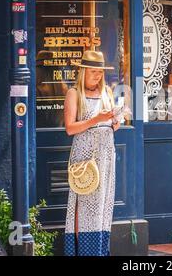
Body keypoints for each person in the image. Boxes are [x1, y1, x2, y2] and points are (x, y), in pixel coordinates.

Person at [63, 50, 121, 256]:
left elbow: (111, 123)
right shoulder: (74, 93)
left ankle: (98, 251)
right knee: (83, 205)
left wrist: (115, 122)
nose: (97, 76)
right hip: (85, 158)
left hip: (105, 156)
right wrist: (97, 119)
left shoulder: (107, 91)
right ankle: (81, 251)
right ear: (84, 72)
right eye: (93, 72)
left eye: (100, 72)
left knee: (102, 205)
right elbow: (70, 128)